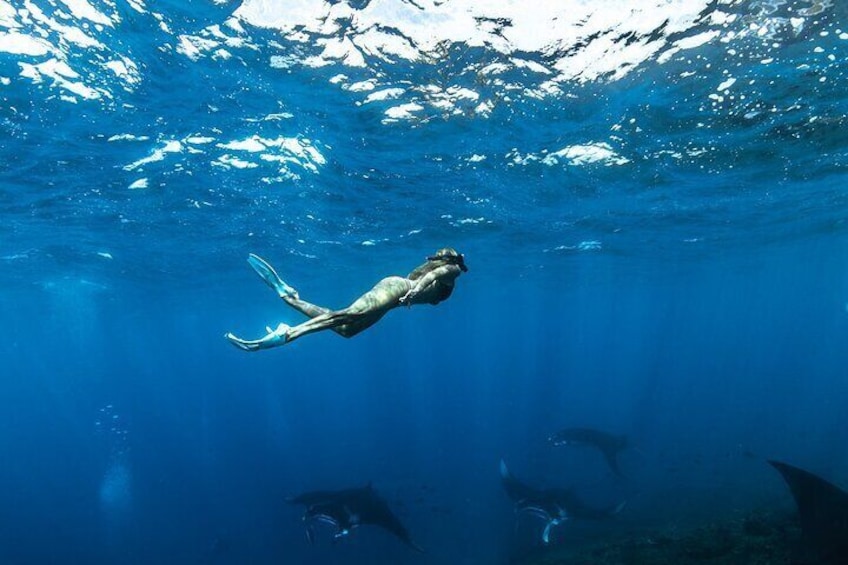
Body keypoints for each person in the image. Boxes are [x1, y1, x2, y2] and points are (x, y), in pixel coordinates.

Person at [225, 248, 468, 351]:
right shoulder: (453, 271)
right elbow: (435, 274)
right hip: (394, 290)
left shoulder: (445, 272)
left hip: (393, 296)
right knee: (350, 314)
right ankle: (288, 334)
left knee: (345, 329)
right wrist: (415, 292)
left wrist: (415, 293)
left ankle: (290, 297)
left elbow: (433, 274)